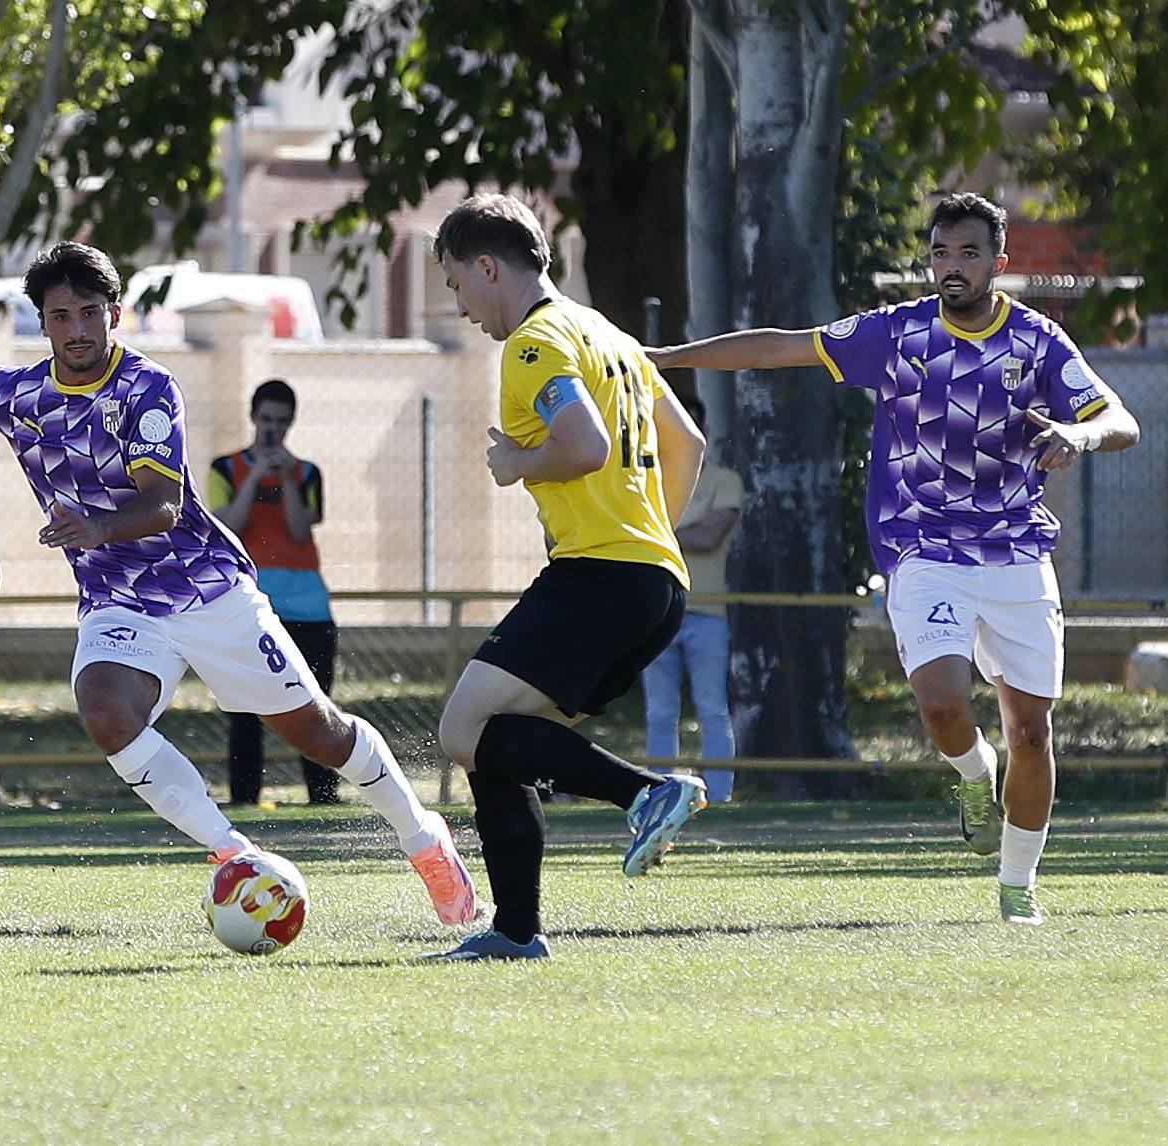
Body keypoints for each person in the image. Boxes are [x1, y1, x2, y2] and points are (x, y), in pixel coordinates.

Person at [0, 241, 476, 925]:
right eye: (60, 317)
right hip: (119, 601)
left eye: (90, 312)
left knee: (319, 734)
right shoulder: (23, 392)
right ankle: (233, 853)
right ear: (44, 322)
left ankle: (424, 840)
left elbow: (163, 504)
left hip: (206, 589)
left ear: (115, 313)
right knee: (105, 711)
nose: (78, 330)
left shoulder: (146, 388)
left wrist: (95, 528)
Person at [646, 192, 1141, 925]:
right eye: (941, 253)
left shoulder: (1038, 342)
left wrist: (1079, 437)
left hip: (1014, 552)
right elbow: (781, 346)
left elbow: (1119, 419)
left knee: (1032, 732)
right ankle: (974, 774)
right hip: (923, 546)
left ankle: (1017, 888)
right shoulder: (898, 333)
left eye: (968, 254)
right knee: (942, 703)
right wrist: (660, 357)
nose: (951, 267)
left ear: (998, 264)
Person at [426, 193, 710, 962]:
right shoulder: (605, 331)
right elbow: (687, 440)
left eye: (456, 284)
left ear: (488, 267)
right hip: (651, 579)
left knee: (462, 730)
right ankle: (516, 931)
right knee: (496, 741)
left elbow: (582, 445)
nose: (459, 304)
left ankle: (648, 793)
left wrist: (517, 463)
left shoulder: (532, 344)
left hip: (601, 576)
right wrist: (653, 536)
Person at [208, 379, 340, 806]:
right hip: (249, 604)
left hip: (307, 605)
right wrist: (255, 477)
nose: (273, 429)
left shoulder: (306, 473)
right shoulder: (225, 469)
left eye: (281, 422)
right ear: (253, 418)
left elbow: (301, 528)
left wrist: (285, 477)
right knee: (245, 709)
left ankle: (323, 796)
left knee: (315, 703)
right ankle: (244, 797)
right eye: (267, 420)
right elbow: (229, 525)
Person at [641, 394, 743, 803]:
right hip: (656, 611)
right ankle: (655, 795)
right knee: (660, 713)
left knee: (712, 709)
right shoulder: (645, 481)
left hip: (707, 613)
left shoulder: (724, 481)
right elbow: (693, 533)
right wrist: (687, 529)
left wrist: (659, 530)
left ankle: (718, 797)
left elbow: (709, 537)